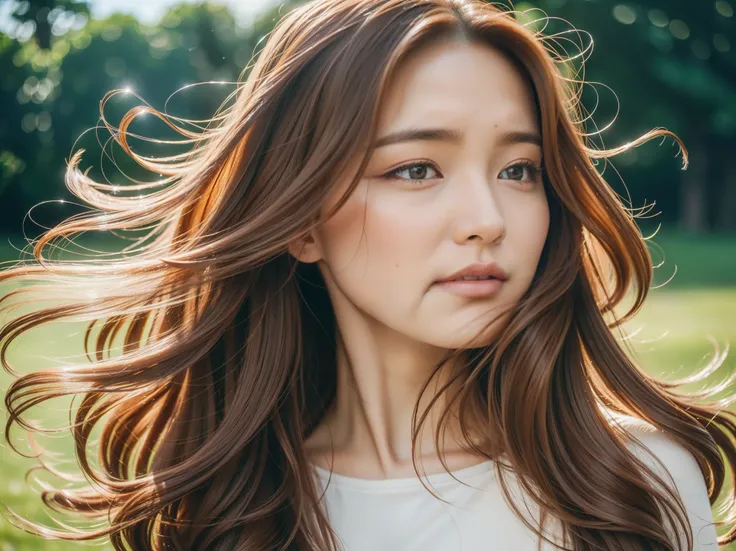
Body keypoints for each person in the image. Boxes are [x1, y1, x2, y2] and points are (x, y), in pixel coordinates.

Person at [1, 0, 733, 550]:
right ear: (301, 221)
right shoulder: (220, 509)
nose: (488, 218)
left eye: (520, 168)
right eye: (416, 168)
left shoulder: (636, 481)